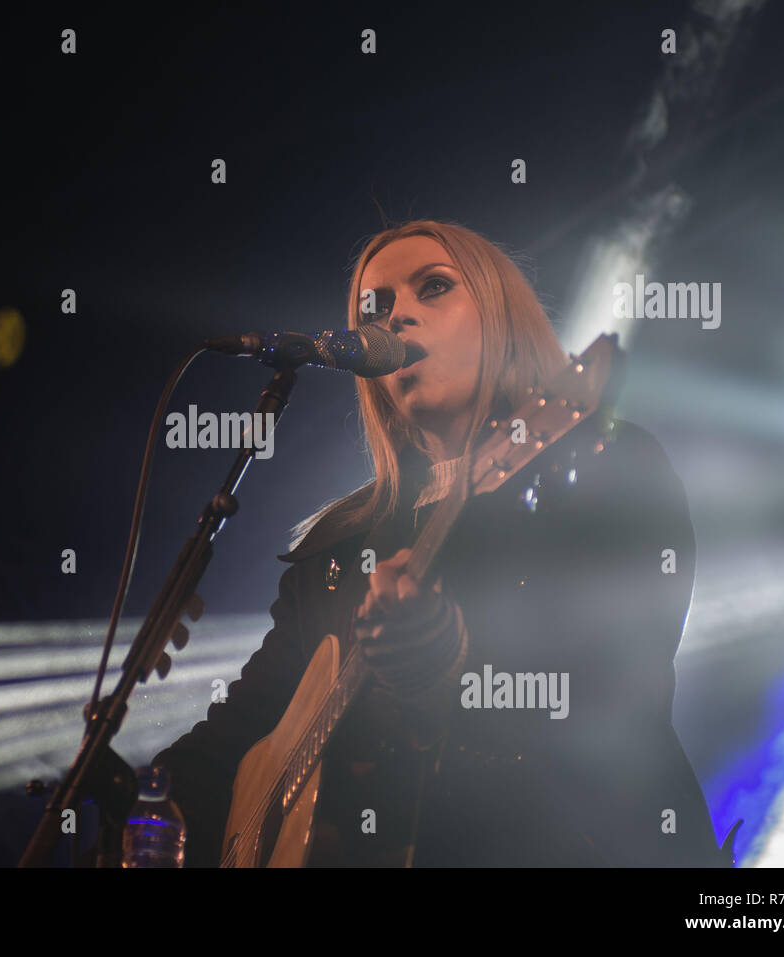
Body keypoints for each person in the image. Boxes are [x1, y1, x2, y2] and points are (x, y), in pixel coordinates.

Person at [152, 219, 731, 867]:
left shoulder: (607, 466)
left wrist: (449, 661)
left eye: (432, 287)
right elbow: (252, 719)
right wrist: (144, 796)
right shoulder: (338, 547)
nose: (395, 317)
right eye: (375, 307)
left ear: (502, 318)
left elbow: (615, 691)